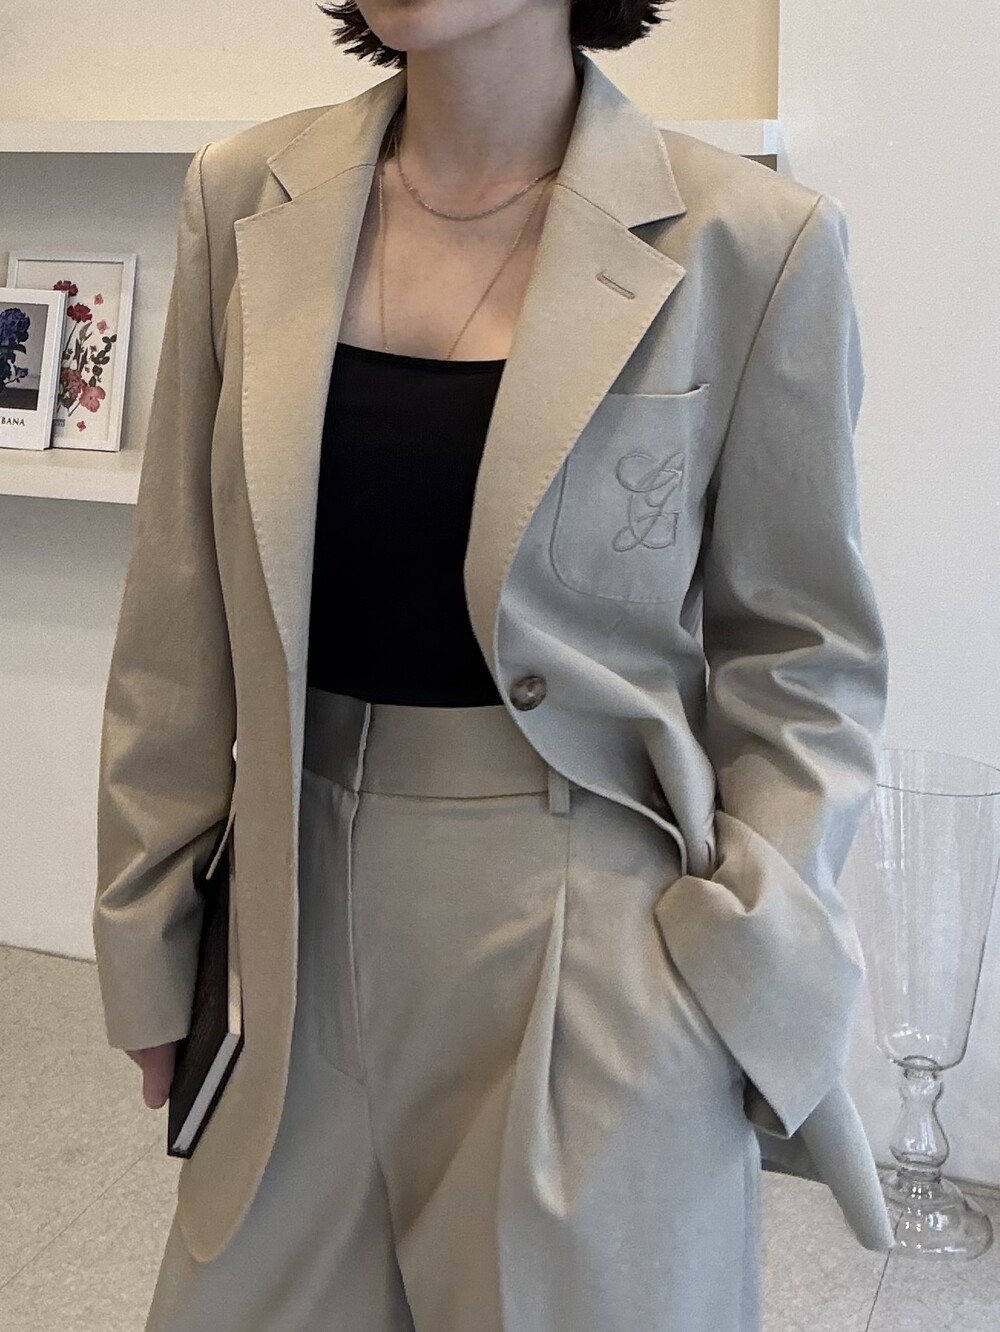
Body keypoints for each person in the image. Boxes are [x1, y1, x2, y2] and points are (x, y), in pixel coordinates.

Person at [93, 1, 895, 1329]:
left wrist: (734, 952)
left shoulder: (750, 242)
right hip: (287, 933)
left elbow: (805, 656)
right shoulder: (243, 197)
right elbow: (175, 607)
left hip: (594, 950)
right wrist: (147, 928)